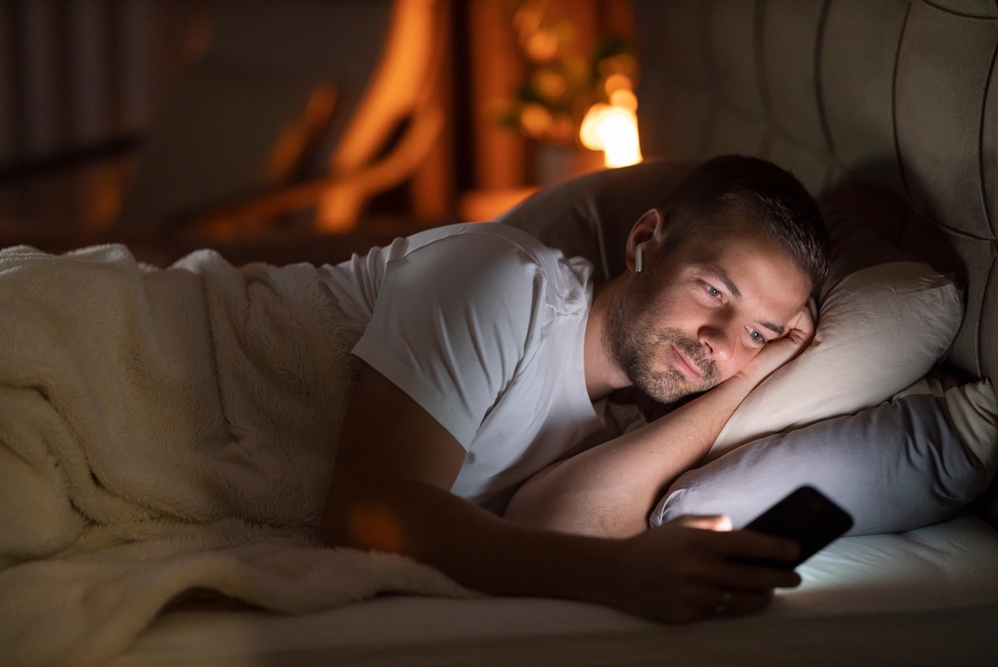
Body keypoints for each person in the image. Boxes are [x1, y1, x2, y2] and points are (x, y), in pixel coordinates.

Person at [318, 155, 829, 623]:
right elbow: (363, 511)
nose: (718, 343)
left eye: (757, 333)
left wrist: (748, 378)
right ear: (643, 242)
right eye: (713, 290)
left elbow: (557, 525)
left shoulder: (620, 431)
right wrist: (620, 573)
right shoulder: (506, 280)